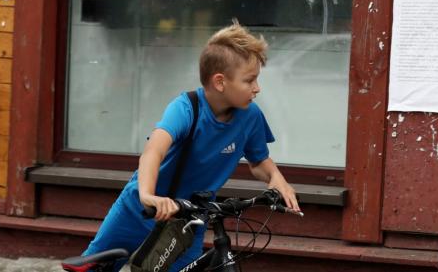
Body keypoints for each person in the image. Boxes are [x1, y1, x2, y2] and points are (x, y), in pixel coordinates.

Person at [80, 22, 299, 271]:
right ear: (220, 82)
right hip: (140, 210)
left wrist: (275, 177)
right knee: (95, 267)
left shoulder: (250, 116)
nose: (257, 88)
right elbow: (154, 152)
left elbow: (258, 161)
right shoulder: (186, 108)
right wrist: (148, 196)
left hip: (188, 221)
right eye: (249, 80)